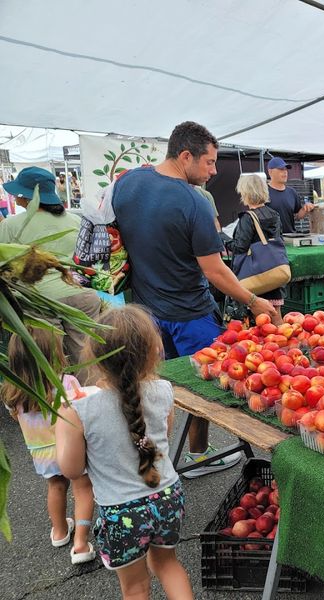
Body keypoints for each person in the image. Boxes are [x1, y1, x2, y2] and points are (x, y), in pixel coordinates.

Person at [113, 121, 276, 478]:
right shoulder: (194, 203)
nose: (214, 171)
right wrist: (253, 301)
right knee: (204, 386)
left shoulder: (126, 184)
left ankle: (151, 454)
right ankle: (200, 454)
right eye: (209, 163)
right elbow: (214, 271)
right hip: (191, 313)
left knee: (152, 385)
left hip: (144, 312)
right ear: (185, 156)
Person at [56, 306, 192, 598]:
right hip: (167, 496)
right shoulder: (164, 390)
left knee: (135, 587)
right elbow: (159, 441)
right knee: (169, 566)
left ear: (92, 354)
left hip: (122, 513)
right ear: (153, 350)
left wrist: (63, 420)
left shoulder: (80, 408)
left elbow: (71, 469)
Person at [4, 328, 96, 565]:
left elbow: (17, 417)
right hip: (71, 449)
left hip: (42, 454)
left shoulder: (13, 392)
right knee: (82, 489)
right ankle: (81, 543)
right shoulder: (66, 383)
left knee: (56, 487)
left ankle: (59, 531)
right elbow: (80, 411)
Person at [0, 167, 102, 378]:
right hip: (81, 295)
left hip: (40, 301)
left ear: (26, 196)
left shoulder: (11, 226)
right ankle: (91, 403)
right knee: (86, 359)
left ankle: (57, 407)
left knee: (48, 364)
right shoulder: (76, 221)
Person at [230, 173, 284, 315]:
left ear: (245, 192)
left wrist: (225, 242)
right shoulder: (275, 214)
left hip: (255, 277)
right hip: (274, 273)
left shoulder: (248, 218)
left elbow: (240, 247)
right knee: (276, 317)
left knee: (260, 324)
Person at [266, 156, 314, 234]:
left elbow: (297, 216)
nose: (285, 172)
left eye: (286, 169)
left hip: (290, 237)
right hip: (271, 240)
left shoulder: (292, 192)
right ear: (270, 172)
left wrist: (305, 209)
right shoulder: (263, 192)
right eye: (281, 169)